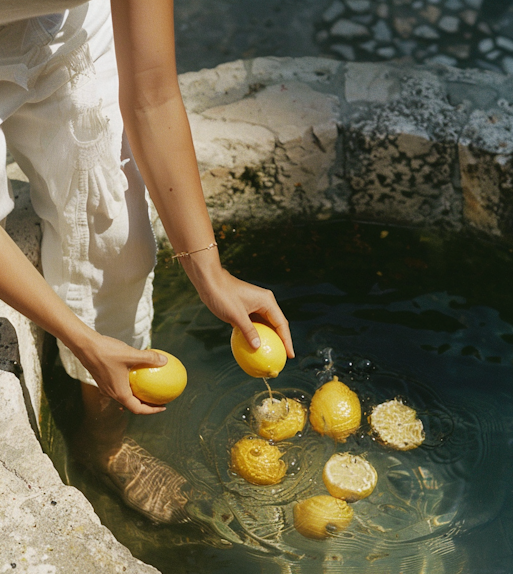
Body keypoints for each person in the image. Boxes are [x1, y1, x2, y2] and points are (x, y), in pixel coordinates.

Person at [0, 0, 294, 521]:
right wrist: (81, 339)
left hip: (59, 29)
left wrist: (209, 270)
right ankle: (96, 379)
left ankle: (103, 439)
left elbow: (152, 95)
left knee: (113, 228)